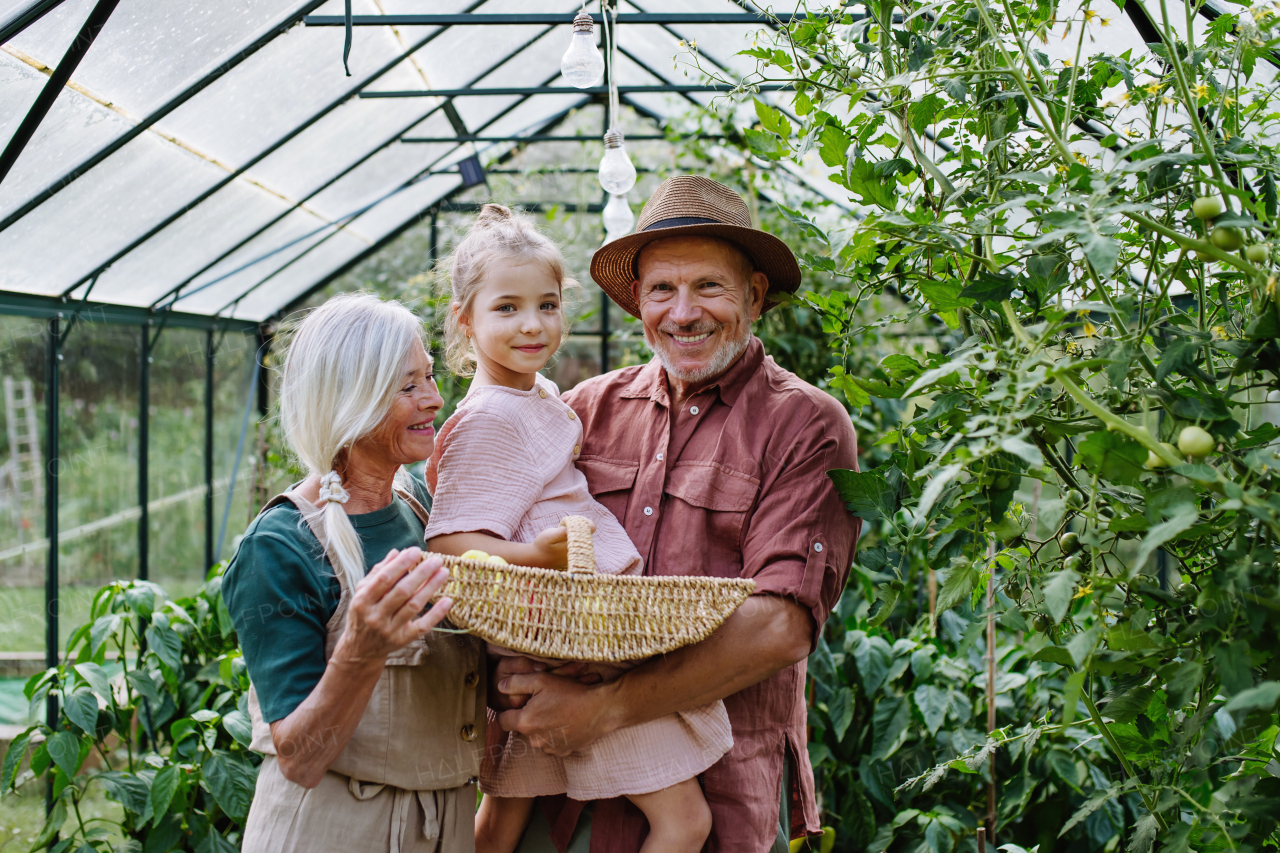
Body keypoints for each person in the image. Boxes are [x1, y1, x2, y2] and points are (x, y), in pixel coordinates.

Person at [493, 176, 863, 852]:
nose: (683, 312)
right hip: (570, 789)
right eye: (662, 289)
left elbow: (779, 625)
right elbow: (500, 530)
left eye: (709, 288)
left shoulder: (806, 424)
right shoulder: (582, 410)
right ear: (637, 298)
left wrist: (602, 709)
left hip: (715, 794)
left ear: (754, 294)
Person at [423, 204, 731, 853]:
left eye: (549, 304)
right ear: (465, 320)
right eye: (507, 308)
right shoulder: (489, 420)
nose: (533, 324)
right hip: (574, 643)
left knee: (504, 817)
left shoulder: (534, 400)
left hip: (562, 635)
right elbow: (449, 545)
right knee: (685, 822)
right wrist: (535, 552)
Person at [222, 293, 482, 853]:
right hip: (335, 830)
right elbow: (300, 757)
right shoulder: (282, 545)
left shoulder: (421, 507)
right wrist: (361, 650)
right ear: (351, 399)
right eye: (408, 386)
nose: (435, 400)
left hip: (445, 824)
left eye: (430, 378)